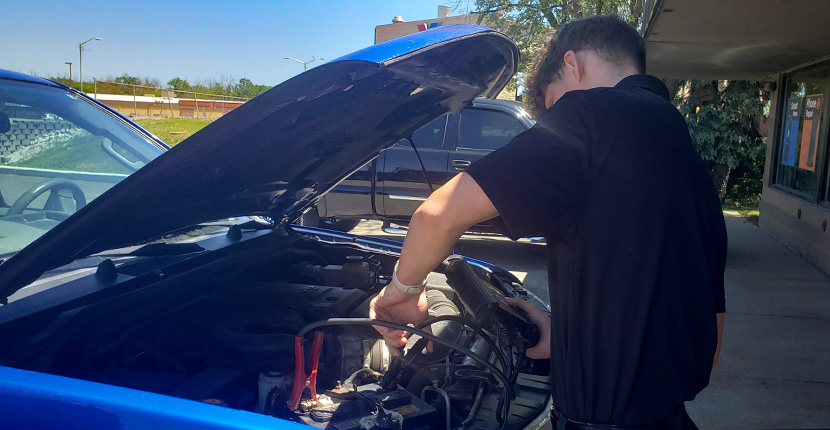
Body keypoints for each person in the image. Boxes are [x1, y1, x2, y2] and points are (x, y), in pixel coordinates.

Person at [370, 15, 726, 430]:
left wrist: (401, 292)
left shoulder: (591, 114)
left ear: (572, 64)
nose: (554, 119)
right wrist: (567, 333)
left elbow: (436, 215)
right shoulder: (681, 148)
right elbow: (701, 324)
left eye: (554, 102)